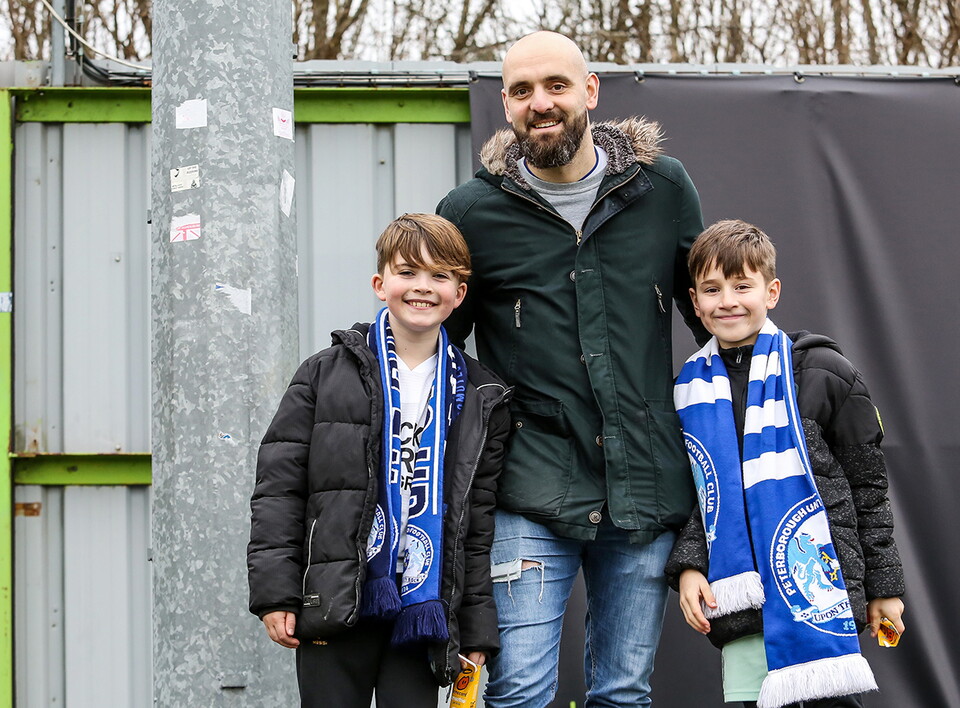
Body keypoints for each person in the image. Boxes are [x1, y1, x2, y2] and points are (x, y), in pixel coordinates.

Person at [437, 30, 707, 708]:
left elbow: (713, 319)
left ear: (590, 91)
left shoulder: (663, 189)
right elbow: (439, 353)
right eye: (523, 91)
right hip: (529, 494)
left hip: (642, 490)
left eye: (556, 85)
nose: (541, 102)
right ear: (506, 104)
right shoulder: (470, 213)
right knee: (521, 691)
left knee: (623, 692)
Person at [246, 214, 512, 708]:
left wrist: (475, 630)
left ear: (459, 293)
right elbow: (279, 491)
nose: (422, 287)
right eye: (407, 272)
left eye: (440, 276)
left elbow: (475, 530)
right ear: (379, 283)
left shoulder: (481, 395)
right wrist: (277, 594)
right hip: (336, 596)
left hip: (422, 612)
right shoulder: (323, 374)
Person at [665, 219, 905, 708]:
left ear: (771, 292)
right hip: (744, 607)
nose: (727, 300)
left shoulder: (823, 372)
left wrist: (885, 586)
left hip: (821, 593)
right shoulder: (688, 392)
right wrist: (690, 566)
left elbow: (869, 488)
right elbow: (701, 494)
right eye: (712, 289)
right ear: (695, 302)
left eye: (741, 286)